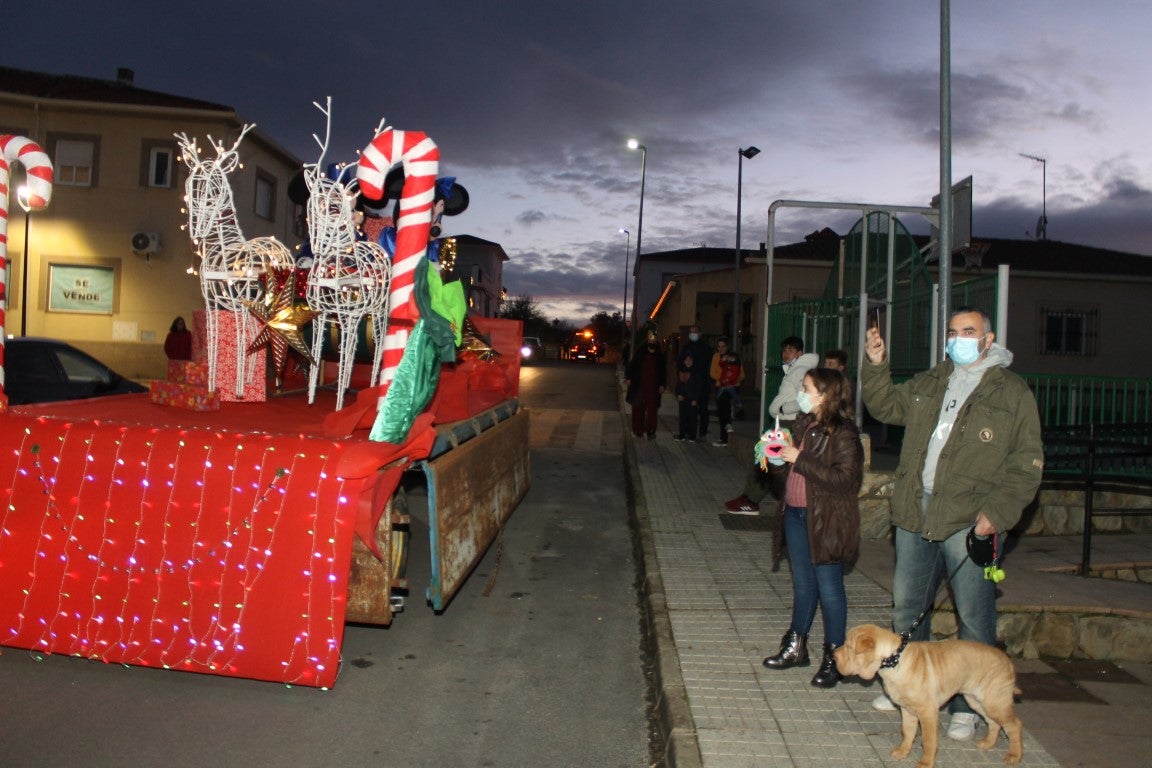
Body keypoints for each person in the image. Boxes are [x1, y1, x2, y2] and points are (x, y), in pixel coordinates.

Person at [860, 306, 1044, 740]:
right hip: (915, 512)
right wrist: (875, 365)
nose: (958, 338)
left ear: (987, 337)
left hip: (968, 520)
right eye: (952, 331)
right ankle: (905, 688)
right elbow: (886, 405)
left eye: (968, 331)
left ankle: (967, 705)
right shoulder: (933, 380)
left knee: (974, 618)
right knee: (908, 608)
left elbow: (1027, 464)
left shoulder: (1012, 393)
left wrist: (996, 515)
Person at [761, 367, 862, 687]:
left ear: (825, 395)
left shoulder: (843, 433)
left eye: (806, 388)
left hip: (825, 521)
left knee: (830, 590)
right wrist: (776, 460)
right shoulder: (805, 424)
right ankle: (796, 647)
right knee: (803, 585)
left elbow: (845, 480)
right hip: (795, 514)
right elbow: (791, 474)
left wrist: (798, 459)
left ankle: (836, 658)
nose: (801, 394)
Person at [723, 336, 819, 513]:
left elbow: (805, 398)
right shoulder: (796, 368)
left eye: (791, 350)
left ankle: (751, 500)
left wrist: (783, 408)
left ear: (800, 353)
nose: (786, 354)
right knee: (774, 461)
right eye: (784, 350)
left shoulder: (801, 370)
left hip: (790, 422)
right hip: (786, 421)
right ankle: (766, 499)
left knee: (766, 459)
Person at [625, 328, 667, 440]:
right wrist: (629, 378)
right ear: (647, 340)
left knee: (652, 410)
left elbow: (663, 371)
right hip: (639, 386)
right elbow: (631, 366)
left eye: (654, 340)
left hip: (653, 388)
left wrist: (663, 385)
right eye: (650, 340)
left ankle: (651, 431)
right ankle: (638, 431)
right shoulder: (640, 351)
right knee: (638, 409)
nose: (652, 342)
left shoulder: (660, 354)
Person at [678, 325, 712, 440]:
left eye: (695, 332)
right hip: (688, 384)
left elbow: (706, 365)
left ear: (700, 334)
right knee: (688, 409)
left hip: (701, 382)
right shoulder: (686, 347)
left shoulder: (705, 348)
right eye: (691, 332)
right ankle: (689, 431)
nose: (693, 334)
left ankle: (702, 430)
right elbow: (681, 364)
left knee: (702, 408)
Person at [710, 337, 744, 447]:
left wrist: (731, 381)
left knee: (725, 409)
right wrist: (722, 380)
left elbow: (741, 374)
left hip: (731, 386)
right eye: (719, 346)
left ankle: (725, 436)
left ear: (727, 346)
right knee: (722, 411)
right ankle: (725, 435)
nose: (721, 348)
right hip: (721, 386)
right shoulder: (716, 357)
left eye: (723, 346)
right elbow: (712, 373)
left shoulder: (733, 357)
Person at [674, 354, 705, 441]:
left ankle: (692, 435)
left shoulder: (696, 373)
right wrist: (678, 394)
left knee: (692, 418)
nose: (688, 362)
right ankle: (682, 435)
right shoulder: (681, 372)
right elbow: (678, 385)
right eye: (686, 360)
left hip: (692, 399)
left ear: (693, 361)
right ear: (684, 361)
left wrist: (695, 399)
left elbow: (698, 387)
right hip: (682, 399)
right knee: (682, 417)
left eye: (690, 360)